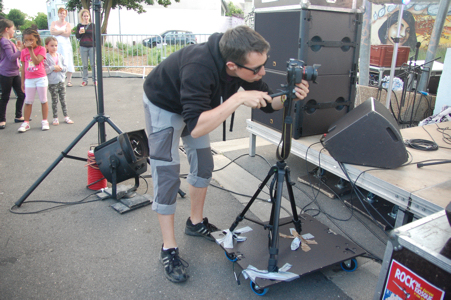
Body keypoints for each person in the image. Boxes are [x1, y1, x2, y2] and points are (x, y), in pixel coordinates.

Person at [142, 25, 309, 283]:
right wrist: (237, 100)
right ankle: (168, 248)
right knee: (167, 175)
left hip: (195, 110)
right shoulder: (199, 67)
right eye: (257, 69)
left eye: (264, 65)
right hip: (164, 104)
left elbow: (268, 103)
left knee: (204, 165)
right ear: (232, 65)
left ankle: (195, 223)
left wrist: (290, 97)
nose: (262, 72)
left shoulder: (243, 62)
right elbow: (197, 127)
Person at [18, 28, 49, 133]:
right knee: (28, 101)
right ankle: (26, 122)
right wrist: (22, 82)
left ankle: (44, 121)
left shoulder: (41, 49)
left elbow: (36, 62)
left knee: (43, 100)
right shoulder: (23, 52)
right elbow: (23, 68)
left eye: (31, 39)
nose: (29, 42)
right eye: (26, 40)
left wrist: (31, 50)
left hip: (40, 77)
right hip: (29, 79)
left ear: (36, 38)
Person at [0, 19, 26, 130]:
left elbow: (14, 56)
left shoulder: (9, 41)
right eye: (13, 29)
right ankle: (2, 119)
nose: (14, 31)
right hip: (6, 72)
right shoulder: (4, 42)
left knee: (21, 94)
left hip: (14, 72)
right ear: (7, 29)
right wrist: (20, 50)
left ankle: (18, 115)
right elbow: (11, 57)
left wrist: (18, 49)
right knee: (5, 96)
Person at [44, 37, 74, 126]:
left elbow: (65, 68)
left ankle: (66, 116)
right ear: (47, 46)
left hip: (61, 80)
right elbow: (45, 70)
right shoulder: (46, 57)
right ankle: (55, 117)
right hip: (52, 82)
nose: (54, 48)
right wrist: (53, 67)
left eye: (56, 46)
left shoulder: (60, 56)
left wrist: (60, 68)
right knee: (54, 100)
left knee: (63, 100)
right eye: (52, 46)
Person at [50, 7, 75, 87]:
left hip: (65, 45)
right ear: (58, 14)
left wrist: (57, 32)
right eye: (61, 13)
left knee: (67, 60)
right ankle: (59, 80)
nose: (62, 15)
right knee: (56, 61)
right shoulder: (54, 22)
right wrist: (61, 31)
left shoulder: (67, 24)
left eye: (64, 13)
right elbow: (52, 32)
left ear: (66, 15)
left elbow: (67, 34)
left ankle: (69, 80)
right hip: (56, 45)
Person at [76, 9, 96, 87]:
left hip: (92, 46)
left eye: (87, 16)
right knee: (84, 64)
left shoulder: (92, 25)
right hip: (83, 46)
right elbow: (77, 36)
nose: (86, 17)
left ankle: (95, 80)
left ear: (89, 16)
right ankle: (85, 80)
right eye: (84, 16)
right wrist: (80, 33)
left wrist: (96, 45)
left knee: (93, 64)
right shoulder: (79, 25)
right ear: (82, 17)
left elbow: (95, 36)